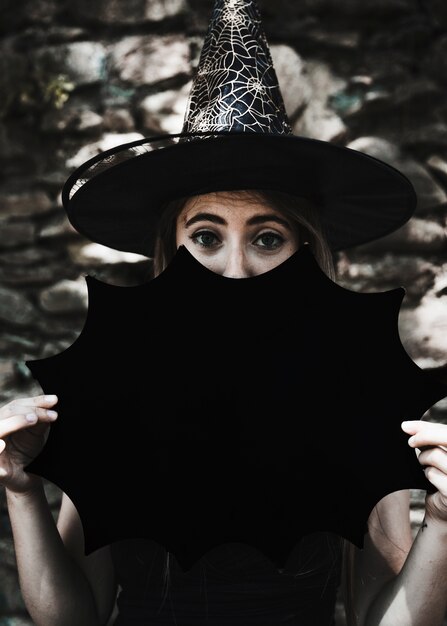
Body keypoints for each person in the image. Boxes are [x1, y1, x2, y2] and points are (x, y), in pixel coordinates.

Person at [3, 0, 447, 624]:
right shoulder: (116, 395)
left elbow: (385, 617)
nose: (234, 268)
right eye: (207, 236)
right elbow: (74, 616)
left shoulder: (355, 400)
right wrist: (22, 492)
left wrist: (446, 525)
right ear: (171, 247)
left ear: (305, 252)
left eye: (267, 238)